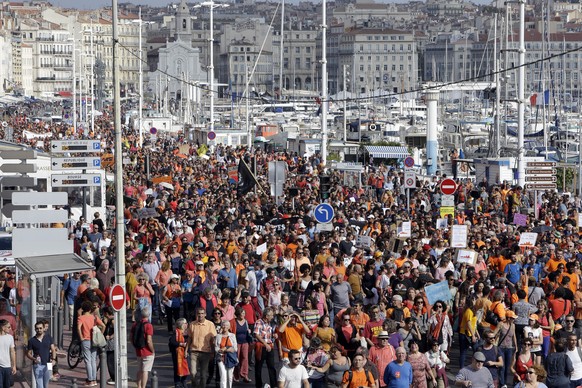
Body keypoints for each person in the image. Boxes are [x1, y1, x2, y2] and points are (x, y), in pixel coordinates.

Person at [187, 307, 217, 388]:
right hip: (194, 351)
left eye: (202, 313)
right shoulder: (192, 324)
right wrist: (186, 350)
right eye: (199, 313)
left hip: (206, 353)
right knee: (193, 373)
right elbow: (189, 338)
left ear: (205, 314)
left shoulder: (210, 324)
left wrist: (213, 352)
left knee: (203, 375)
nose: (200, 315)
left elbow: (213, 340)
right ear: (196, 314)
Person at [77, 301, 105, 387]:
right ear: (90, 309)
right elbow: (103, 326)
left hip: (86, 340)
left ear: (83, 309)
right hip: (94, 340)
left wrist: (81, 337)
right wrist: (101, 334)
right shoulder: (94, 317)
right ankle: (94, 379)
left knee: (87, 360)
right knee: (93, 360)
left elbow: (78, 327)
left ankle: (90, 380)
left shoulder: (81, 318)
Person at [27, 321, 57, 388]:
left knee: (46, 385)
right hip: (37, 365)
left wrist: (54, 359)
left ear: (44, 328)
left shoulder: (48, 337)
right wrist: (34, 359)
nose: (39, 330)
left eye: (40, 328)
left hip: (48, 364)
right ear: (35, 329)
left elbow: (53, 349)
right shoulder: (31, 340)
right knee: (40, 386)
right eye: (37, 328)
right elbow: (28, 354)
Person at [131, 306, 155, 388]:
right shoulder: (148, 325)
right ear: (148, 315)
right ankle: (143, 386)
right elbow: (149, 340)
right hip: (147, 351)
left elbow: (130, 338)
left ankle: (138, 386)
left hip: (138, 350)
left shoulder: (135, 324)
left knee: (139, 370)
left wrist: (135, 346)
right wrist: (152, 350)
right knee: (145, 370)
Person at [254, 307, 277, 388]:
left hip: (269, 346)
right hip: (262, 347)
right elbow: (256, 335)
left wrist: (274, 336)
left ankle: (274, 385)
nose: (272, 317)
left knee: (271, 366)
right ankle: (259, 385)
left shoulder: (270, 323)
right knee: (259, 367)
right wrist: (265, 344)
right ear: (266, 316)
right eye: (271, 315)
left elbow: (268, 335)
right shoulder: (259, 322)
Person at [215, 320, 238, 388]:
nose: (225, 326)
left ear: (229, 327)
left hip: (230, 358)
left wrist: (225, 349)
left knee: (230, 377)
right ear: (221, 326)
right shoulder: (218, 336)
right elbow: (216, 348)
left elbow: (235, 348)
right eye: (223, 325)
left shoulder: (232, 336)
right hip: (221, 358)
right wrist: (221, 350)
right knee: (223, 376)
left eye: (226, 325)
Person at [169, 318, 189, 388]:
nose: (187, 324)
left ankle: (184, 380)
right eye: (185, 323)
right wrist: (181, 344)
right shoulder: (176, 333)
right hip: (177, 354)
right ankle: (177, 382)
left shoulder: (187, 333)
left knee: (186, 368)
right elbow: (172, 342)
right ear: (182, 325)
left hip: (185, 353)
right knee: (177, 368)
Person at [0, 319, 16, 388]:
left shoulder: (10, 337)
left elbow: (12, 352)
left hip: (7, 366)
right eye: (9, 327)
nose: (10, 329)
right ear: (3, 328)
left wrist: (14, 365)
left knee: (7, 386)